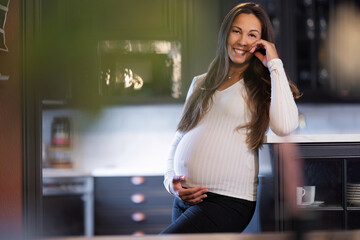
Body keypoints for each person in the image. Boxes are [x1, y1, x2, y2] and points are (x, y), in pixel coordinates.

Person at [161, 2, 301, 234]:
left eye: (252, 35)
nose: (242, 41)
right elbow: (179, 138)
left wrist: (274, 63)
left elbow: (285, 126)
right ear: (226, 33)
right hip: (184, 199)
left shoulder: (263, 86)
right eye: (237, 31)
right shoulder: (200, 83)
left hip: (228, 201)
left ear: (261, 42)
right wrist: (171, 184)